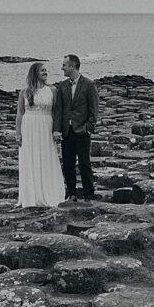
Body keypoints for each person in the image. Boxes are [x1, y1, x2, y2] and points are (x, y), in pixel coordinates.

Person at [15, 61, 65, 207]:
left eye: (46, 70)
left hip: (46, 126)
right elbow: (20, 113)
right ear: (35, 73)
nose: (45, 73)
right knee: (30, 158)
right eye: (42, 70)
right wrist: (18, 134)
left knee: (46, 157)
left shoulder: (53, 90)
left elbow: (57, 112)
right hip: (29, 126)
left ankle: (49, 192)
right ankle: (32, 195)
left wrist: (57, 130)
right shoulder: (25, 92)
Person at [52, 53, 98, 201]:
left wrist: (89, 127)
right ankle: (72, 193)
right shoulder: (62, 86)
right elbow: (59, 110)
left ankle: (88, 194)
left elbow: (94, 108)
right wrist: (57, 129)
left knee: (84, 164)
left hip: (82, 130)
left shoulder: (88, 85)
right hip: (67, 131)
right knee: (68, 164)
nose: (62, 68)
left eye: (64, 65)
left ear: (72, 66)